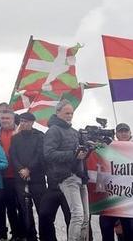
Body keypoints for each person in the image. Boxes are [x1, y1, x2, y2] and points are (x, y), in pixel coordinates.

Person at [44, 100, 89, 241]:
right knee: (77, 215)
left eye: (71, 113)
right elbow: (48, 154)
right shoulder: (53, 130)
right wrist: (73, 153)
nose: (70, 116)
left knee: (86, 217)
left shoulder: (74, 132)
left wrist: (88, 149)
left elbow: (79, 154)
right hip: (66, 177)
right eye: (66, 113)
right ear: (58, 113)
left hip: (80, 176)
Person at [10, 112, 46, 241]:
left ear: (32, 122)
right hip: (20, 179)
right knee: (25, 210)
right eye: (21, 121)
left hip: (37, 179)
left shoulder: (40, 136)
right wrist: (21, 169)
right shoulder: (15, 138)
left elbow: (40, 154)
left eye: (25, 121)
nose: (23, 123)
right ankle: (31, 237)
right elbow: (13, 155)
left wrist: (29, 169)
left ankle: (45, 236)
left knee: (42, 210)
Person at [98, 123, 133, 241]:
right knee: (106, 227)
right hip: (110, 197)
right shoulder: (108, 148)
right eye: (120, 131)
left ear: (130, 133)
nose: (123, 133)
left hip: (130, 199)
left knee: (129, 232)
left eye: (126, 131)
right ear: (116, 134)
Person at [0, 110, 21, 239]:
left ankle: (25, 234)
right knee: (8, 207)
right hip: (2, 177)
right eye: (2, 118)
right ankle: (13, 234)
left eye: (8, 118)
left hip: (18, 176)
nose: (5, 120)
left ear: (13, 119)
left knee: (22, 207)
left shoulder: (20, 133)